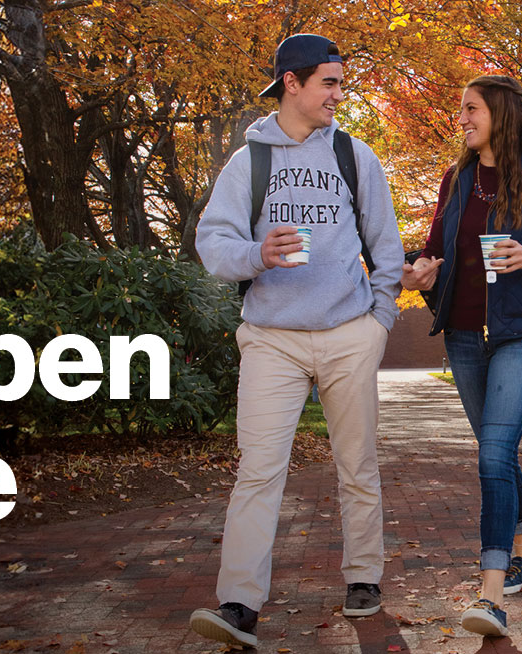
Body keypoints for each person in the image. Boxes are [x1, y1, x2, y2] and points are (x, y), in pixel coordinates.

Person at [190, 34, 404, 648]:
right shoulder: (248, 162)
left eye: (340, 82)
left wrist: (379, 323)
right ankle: (238, 603)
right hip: (271, 340)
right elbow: (213, 247)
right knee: (257, 472)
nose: (339, 93)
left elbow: (385, 248)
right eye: (328, 83)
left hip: (347, 335)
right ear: (292, 83)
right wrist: (258, 253)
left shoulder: (354, 156)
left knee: (356, 465)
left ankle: (364, 576)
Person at [401, 75, 522, 636]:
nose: (461, 119)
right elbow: (435, 248)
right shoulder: (456, 179)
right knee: (495, 452)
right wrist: (417, 270)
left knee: (493, 453)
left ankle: (491, 594)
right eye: (460, 110)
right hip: (464, 335)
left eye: (470, 109)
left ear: (500, 114)